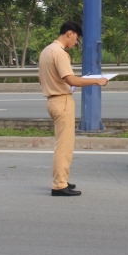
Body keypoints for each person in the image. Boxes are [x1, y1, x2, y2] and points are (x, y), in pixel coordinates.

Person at [38, 21, 109, 196]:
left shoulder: (46, 51)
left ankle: (62, 180)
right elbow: (71, 79)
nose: (76, 42)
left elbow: (46, 78)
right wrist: (96, 80)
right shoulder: (59, 53)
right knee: (64, 146)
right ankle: (59, 184)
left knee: (63, 144)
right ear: (69, 33)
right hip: (61, 101)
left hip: (52, 99)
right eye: (76, 38)